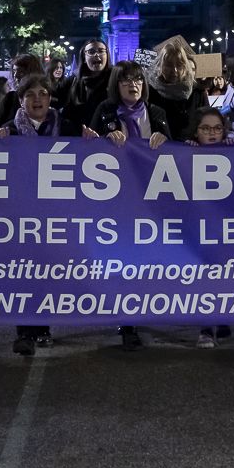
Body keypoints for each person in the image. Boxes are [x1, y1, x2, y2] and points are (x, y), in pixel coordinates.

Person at [87, 59, 173, 351]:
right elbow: (85, 150)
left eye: (137, 80)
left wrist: (166, 139)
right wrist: (101, 141)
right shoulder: (105, 112)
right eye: (126, 81)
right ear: (116, 85)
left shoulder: (158, 113)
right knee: (125, 263)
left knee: (148, 262)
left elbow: (176, 154)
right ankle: (128, 322)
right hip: (117, 202)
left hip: (152, 202)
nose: (133, 85)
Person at [0, 73, 70, 355]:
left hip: (56, 213)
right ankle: (24, 331)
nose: (38, 99)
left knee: (47, 271)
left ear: (50, 98)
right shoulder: (8, 132)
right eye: (30, 95)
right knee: (24, 271)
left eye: (43, 94)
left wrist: (97, 138)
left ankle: (43, 328)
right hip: (21, 215)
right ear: (21, 100)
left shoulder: (69, 128)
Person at [190, 106, 234, 349]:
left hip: (226, 227)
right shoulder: (184, 154)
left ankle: (222, 317)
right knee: (205, 274)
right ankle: (206, 328)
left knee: (224, 273)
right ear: (196, 132)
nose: (212, 134)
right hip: (198, 227)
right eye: (206, 128)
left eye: (217, 128)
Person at [145, 37, 205, 143]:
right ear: (160, 66)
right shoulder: (149, 92)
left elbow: (205, 123)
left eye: (179, 65)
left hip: (190, 152)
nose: (174, 70)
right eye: (169, 65)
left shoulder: (197, 93)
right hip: (158, 152)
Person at [56, 39, 112, 137]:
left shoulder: (117, 79)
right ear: (84, 57)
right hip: (78, 141)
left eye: (101, 51)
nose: (96, 55)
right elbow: (53, 100)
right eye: (91, 52)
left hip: (108, 142)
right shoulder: (72, 81)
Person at [0, 53, 47, 129]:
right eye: (14, 71)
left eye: (21, 71)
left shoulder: (47, 99)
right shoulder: (10, 99)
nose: (15, 76)